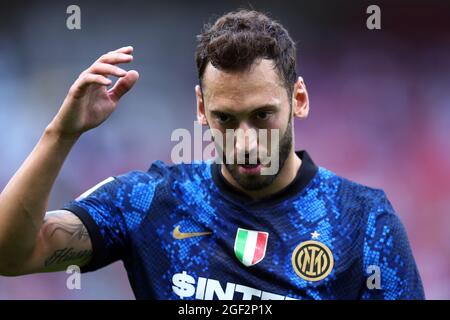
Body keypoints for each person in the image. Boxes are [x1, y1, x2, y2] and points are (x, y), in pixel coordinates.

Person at [0, 10, 424, 300]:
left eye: (263, 115)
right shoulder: (149, 202)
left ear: (299, 99)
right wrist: (61, 134)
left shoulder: (365, 220)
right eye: (226, 118)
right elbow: (12, 254)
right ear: (201, 110)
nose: (244, 140)